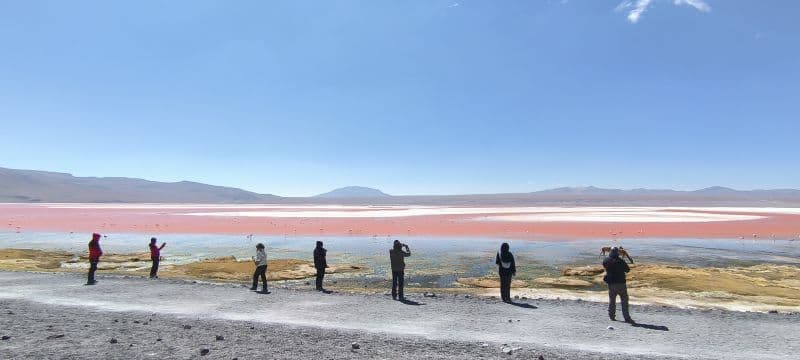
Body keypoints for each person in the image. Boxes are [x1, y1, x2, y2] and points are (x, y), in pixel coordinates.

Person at [603, 247, 634, 323]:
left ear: (610, 252)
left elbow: (605, 266)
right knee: (624, 301)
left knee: (612, 301)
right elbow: (627, 270)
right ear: (617, 253)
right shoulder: (621, 261)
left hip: (611, 284)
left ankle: (612, 316)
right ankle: (627, 318)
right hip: (621, 283)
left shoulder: (606, 260)